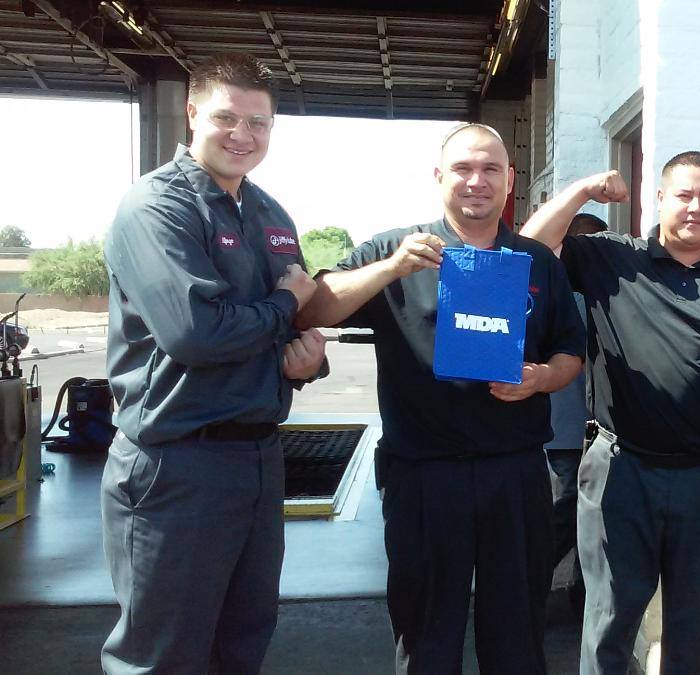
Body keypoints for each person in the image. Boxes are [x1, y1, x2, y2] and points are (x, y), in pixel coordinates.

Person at [295, 123, 585, 674]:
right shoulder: (396, 249)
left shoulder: (536, 261)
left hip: (515, 473)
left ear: (509, 180)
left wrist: (542, 377)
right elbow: (313, 309)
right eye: (463, 168)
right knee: (427, 633)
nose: (477, 181)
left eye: (490, 169)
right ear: (438, 176)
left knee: (517, 637)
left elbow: (571, 350)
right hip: (424, 475)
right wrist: (391, 269)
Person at [101, 52, 327, 674]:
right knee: (163, 655)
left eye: (258, 123)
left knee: (242, 642)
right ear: (193, 113)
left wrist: (304, 361)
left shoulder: (270, 213)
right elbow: (196, 334)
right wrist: (288, 303)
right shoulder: (156, 207)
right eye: (227, 118)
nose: (241, 135)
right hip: (177, 462)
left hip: (257, 458)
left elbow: (286, 321)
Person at [521, 156, 700, 675]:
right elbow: (529, 248)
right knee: (609, 623)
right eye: (683, 195)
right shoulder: (610, 258)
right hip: (621, 470)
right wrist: (582, 191)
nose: (695, 207)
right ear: (660, 200)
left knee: (696, 628)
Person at [544, 212, 608, 615]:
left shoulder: (597, 293)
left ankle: (582, 594)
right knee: (569, 511)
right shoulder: (568, 295)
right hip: (569, 430)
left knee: (592, 514)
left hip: (589, 430)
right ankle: (527, 582)